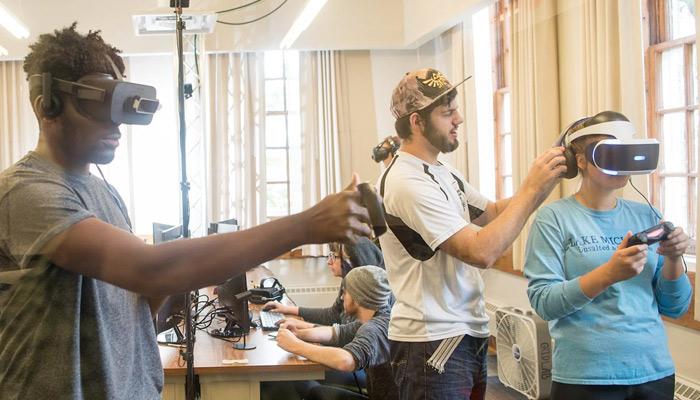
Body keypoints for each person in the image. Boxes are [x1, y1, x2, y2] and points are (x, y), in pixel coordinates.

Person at [0, 24, 372, 400]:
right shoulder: (25, 192)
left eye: (119, 104)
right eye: (98, 104)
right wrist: (305, 225)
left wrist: (176, 286)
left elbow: (133, 317)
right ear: (46, 106)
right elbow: (148, 269)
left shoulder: (105, 193)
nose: (115, 122)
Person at [377, 68, 566, 400]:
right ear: (417, 122)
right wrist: (531, 189)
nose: (459, 119)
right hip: (432, 342)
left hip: (465, 333)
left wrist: (543, 181)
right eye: (447, 112)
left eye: (456, 109)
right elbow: (480, 251)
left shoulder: (442, 169)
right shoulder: (406, 182)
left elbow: (491, 213)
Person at [524, 111, 693, 400]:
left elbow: (674, 307)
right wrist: (608, 274)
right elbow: (544, 303)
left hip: (653, 371)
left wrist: (675, 259)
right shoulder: (554, 218)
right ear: (581, 160)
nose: (622, 164)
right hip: (585, 376)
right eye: (612, 154)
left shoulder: (646, 215)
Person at [277, 266, 398, 400]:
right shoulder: (374, 319)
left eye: (345, 293)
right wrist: (299, 334)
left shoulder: (376, 327)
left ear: (357, 297)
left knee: (314, 391)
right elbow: (335, 333)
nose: (341, 297)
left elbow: (346, 360)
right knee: (308, 385)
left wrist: (295, 345)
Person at [263, 237, 385, 332]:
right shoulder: (348, 282)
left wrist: (304, 326)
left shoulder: (371, 296)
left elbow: (348, 334)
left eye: (333, 256)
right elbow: (333, 315)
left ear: (352, 260)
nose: (328, 261)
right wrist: (287, 309)